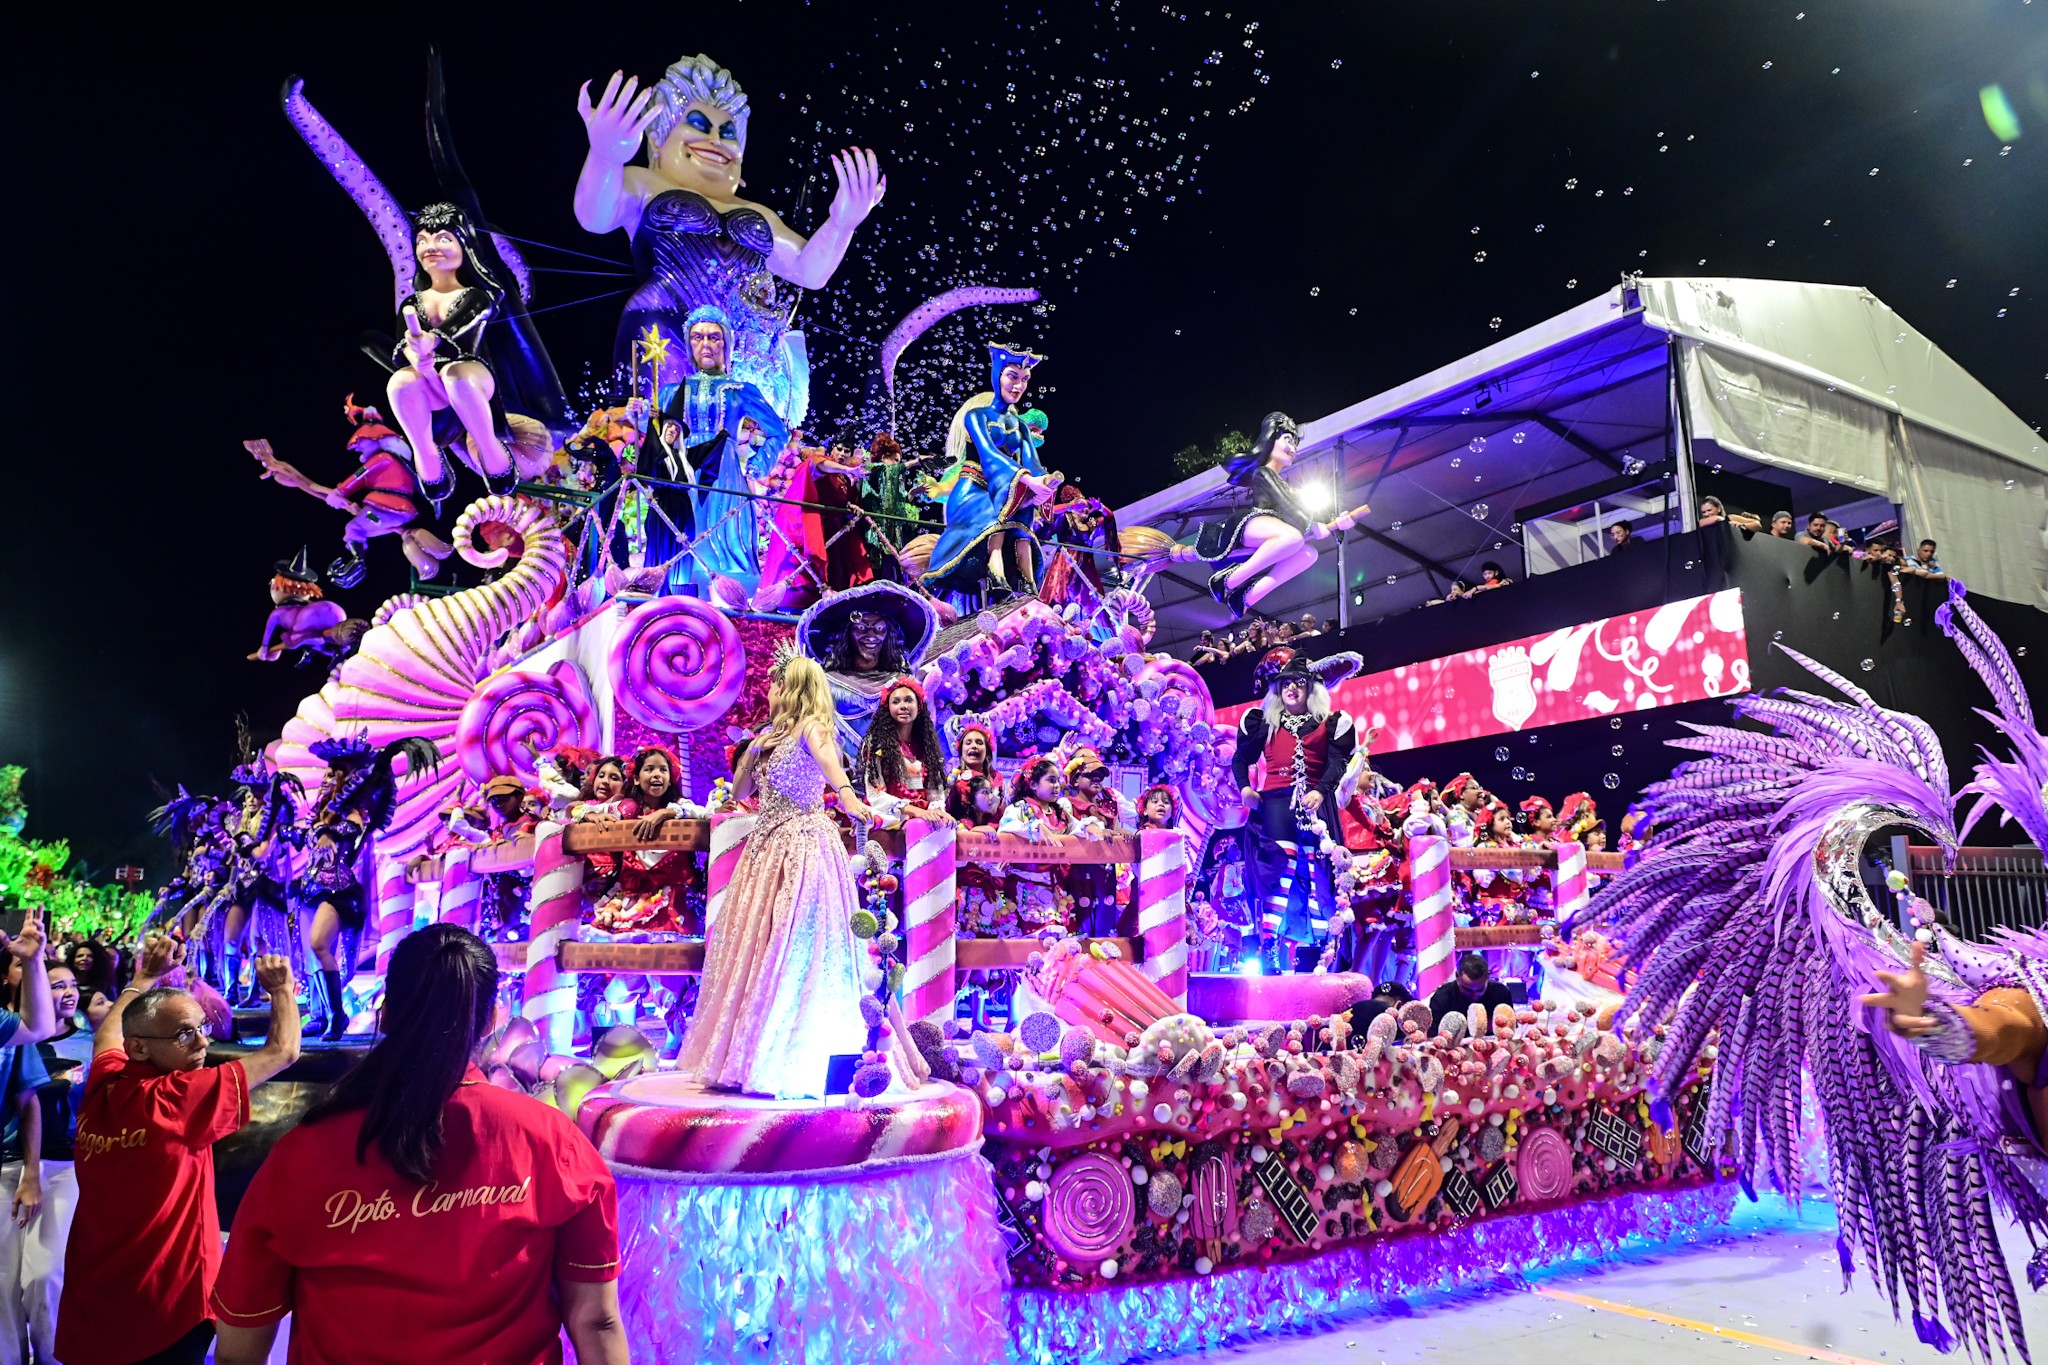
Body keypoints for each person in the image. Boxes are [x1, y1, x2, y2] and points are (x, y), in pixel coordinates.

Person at [209, 926, 626, 1365]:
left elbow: (241, 1344)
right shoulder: (551, 1140)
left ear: (385, 1015)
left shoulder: (302, 1154)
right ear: (489, 1021)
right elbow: (597, 1322)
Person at [574, 56, 885, 422]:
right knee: (662, 430)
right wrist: (605, 156)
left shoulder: (760, 212)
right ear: (659, 138)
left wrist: (841, 224)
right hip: (662, 329)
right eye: (699, 125)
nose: (714, 140)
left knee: (739, 440)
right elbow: (593, 216)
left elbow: (809, 272)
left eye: (728, 131)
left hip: (740, 345)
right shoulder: (644, 183)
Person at [56, 936, 300, 1365]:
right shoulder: (177, 1097)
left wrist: (144, 976)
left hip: (96, 1299)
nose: (202, 1043)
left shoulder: (106, 1085)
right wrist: (281, 990)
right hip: (168, 1308)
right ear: (140, 1047)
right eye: (185, 1034)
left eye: (202, 1028)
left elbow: (108, 1035)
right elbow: (283, 1051)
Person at [677, 655, 906, 1098]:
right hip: (766, 847)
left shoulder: (813, 727)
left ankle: (789, 1056)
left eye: (774, 684)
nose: (768, 691)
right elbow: (742, 792)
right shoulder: (771, 736)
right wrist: (752, 753)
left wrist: (849, 799)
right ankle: (746, 1053)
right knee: (758, 946)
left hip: (803, 845)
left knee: (795, 943)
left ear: (791, 686)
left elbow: (832, 769)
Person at [292, 737, 441, 1041]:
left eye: (336, 773)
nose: (327, 778)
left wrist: (325, 830)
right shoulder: (321, 812)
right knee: (312, 952)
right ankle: (321, 1014)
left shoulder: (354, 809)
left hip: (338, 891)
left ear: (348, 778)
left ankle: (337, 1016)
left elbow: (352, 830)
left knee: (320, 944)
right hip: (311, 889)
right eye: (327, 772)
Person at [1231, 649, 1364, 974]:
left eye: (1299, 683)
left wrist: (1320, 790)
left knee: (1317, 874)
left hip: (1317, 805)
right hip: (1275, 804)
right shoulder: (1262, 722)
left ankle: (1318, 950)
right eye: (1285, 683)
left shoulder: (1332, 723)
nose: (1291, 688)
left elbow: (1337, 763)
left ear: (1311, 688)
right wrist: (1245, 789)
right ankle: (1268, 947)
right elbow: (1240, 759)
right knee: (1281, 870)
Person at [381, 203, 518, 510]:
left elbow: (463, 324)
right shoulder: (411, 302)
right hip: (429, 383)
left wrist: (434, 341)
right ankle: (426, 455)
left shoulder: (476, 296)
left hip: (470, 376)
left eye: (443, 238)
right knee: (399, 383)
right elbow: (404, 342)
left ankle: (490, 451)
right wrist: (416, 356)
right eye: (422, 240)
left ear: (463, 246)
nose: (430, 247)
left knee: (457, 376)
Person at [923, 344, 1064, 599]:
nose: (1018, 385)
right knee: (1000, 509)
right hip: (973, 489)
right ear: (997, 375)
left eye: (1024, 379)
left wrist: (1042, 481)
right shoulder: (976, 416)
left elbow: (1031, 460)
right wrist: (1025, 479)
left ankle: (1028, 580)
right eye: (1012, 376)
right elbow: (989, 455)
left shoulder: (1019, 425)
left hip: (1003, 486)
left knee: (1023, 507)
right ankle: (995, 570)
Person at [1197, 412, 1369, 617]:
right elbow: (1290, 507)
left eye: (1295, 444)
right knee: (1293, 537)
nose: (1293, 449)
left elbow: (1303, 511)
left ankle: (1246, 597)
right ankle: (1227, 580)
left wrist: (1337, 523)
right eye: (1288, 440)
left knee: (1308, 554)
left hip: (1272, 528)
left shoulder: (1286, 484)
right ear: (1271, 439)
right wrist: (1315, 525)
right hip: (1252, 524)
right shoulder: (1263, 473)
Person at [2, 958, 89, 1364]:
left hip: (59, 1167)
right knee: (4, 1285)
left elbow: (29, 1103)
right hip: (10, 1167)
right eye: (56, 985)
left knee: (44, 1277)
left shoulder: (90, 1043)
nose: (68, 992)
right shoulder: (16, 1035)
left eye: (72, 984)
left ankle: (53, 1357)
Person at [856, 678, 952, 828]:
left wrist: (938, 811)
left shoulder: (927, 746)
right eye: (896, 702)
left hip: (923, 822)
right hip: (889, 822)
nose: (903, 706)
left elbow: (935, 792)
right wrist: (914, 812)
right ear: (887, 708)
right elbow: (875, 795)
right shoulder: (875, 744)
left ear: (919, 706)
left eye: (908, 700)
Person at [1427, 953, 1513, 1031]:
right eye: (1467, 989)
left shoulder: (1501, 993)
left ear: (1488, 977)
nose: (1474, 995)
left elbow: (1510, 1031)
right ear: (1457, 976)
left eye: (1480, 990)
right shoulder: (1442, 998)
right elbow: (1433, 1038)